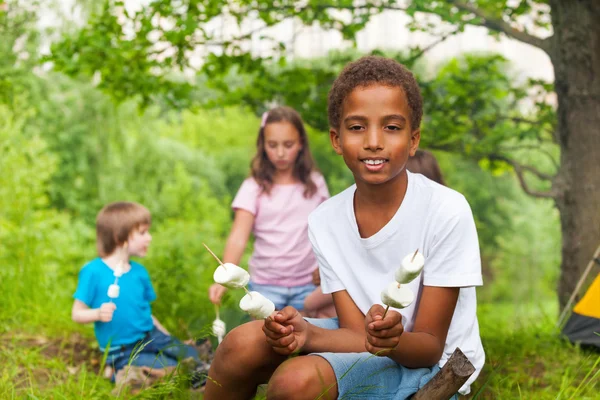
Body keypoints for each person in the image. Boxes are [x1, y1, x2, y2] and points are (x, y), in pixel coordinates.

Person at [204, 56, 484, 400]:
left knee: (294, 382)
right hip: (363, 344)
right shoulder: (325, 220)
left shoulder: (446, 210)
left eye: (392, 127)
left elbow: (427, 347)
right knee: (239, 343)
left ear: (414, 140)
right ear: (336, 140)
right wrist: (304, 332)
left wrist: (391, 340)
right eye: (357, 127)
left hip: (431, 363)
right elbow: (354, 332)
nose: (374, 141)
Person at [72, 201, 208, 387]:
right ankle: (119, 369)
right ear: (120, 237)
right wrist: (96, 313)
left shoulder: (140, 272)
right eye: (143, 233)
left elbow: (146, 313)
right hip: (123, 348)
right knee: (168, 370)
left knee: (189, 356)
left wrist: (169, 339)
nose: (149, 238)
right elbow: (77, 313)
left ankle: (200, 372)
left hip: (152, 335)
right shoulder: (92, 271)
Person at [207, 106, 330, 313]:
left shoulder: (315, 184)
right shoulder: (253, 187)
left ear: (300, 143)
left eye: (288, 145)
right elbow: (238, 236)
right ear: (263, 145)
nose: (280, 153)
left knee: (307, 340)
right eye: (272, 145)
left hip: (309, 286)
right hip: (266, 286)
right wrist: (225, 278)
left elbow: (328, 232)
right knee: (268, 340)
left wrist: (327, 267)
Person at [304, 149, 447, 319]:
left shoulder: (439, 226)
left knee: (315, 309)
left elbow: (312, 303)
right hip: (377, 325)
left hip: (399, 332)